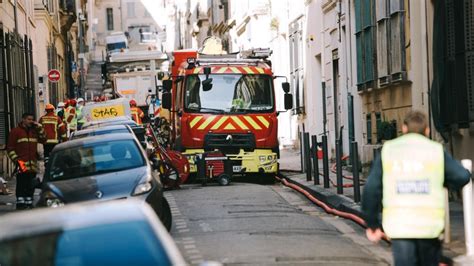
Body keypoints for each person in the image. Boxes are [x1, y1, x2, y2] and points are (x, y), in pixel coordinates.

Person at [362, 110, 471, 266]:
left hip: (400, 227)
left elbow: (371, 189)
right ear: (426, 130)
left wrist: (371, 223)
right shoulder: (436, 150)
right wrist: (443, 181)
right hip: (429, 227)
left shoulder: (389, 150)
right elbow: (462, 177)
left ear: (404, 128)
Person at [7, 113, 46, 209]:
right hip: (21, 163)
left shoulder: (34, 131)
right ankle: (20, 203)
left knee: (31, 185)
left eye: (32, 119)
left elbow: (44, 140)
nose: (31, 121)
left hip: (32, 164)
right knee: (22, 184)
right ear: (23, 119)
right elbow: (10, 148)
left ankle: (29, 202)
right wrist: (16, 160)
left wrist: (40, 128)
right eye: (29, 119)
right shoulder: (15, 132)